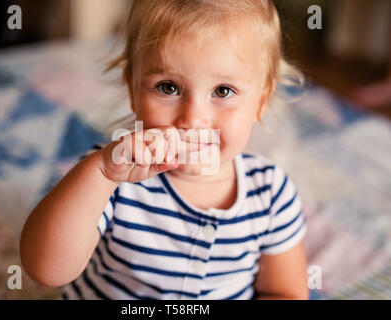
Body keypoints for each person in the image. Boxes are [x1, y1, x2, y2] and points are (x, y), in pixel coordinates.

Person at [20, 0, 309, 300]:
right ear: (133, 91)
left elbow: (285, 292)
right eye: (168, 87)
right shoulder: (113, 177)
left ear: (260, 101)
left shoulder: (270, 193)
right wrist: (100, 174)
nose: (192, 118)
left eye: (223, 91)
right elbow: (46, 271)